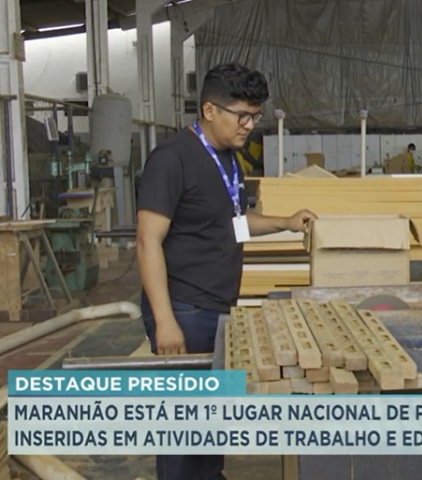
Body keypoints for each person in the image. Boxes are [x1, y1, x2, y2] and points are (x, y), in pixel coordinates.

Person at [136, 62, 316, 480]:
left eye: (255, 116)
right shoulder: (172, 159)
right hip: (184, 308)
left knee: (210, 413)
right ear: (209, 110)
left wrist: (285, 222)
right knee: (183, 424)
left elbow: (232, 224)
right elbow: (147, 241)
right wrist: (165, 321)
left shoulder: (229, 160)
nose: (249, 125)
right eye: (242, 116)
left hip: (218, 305)